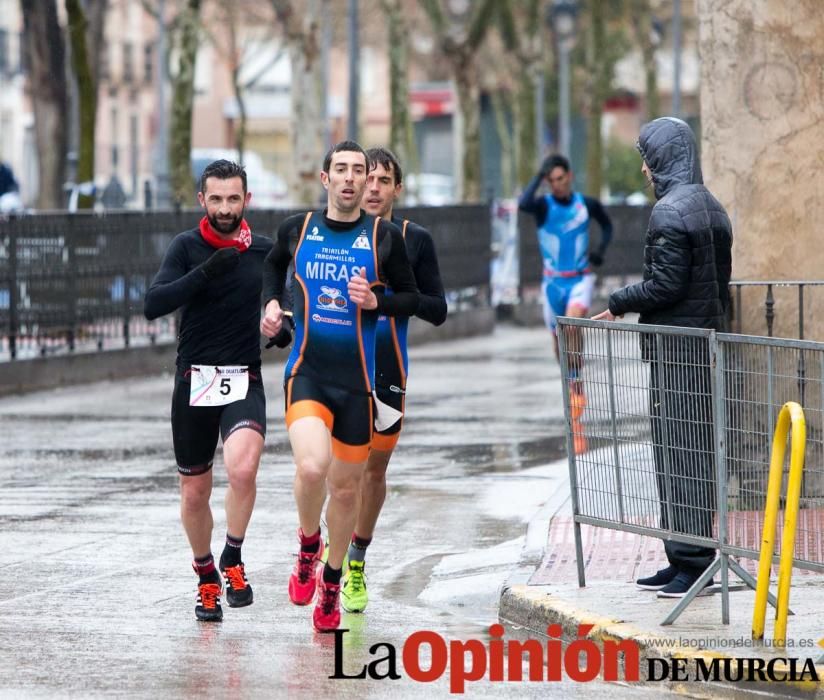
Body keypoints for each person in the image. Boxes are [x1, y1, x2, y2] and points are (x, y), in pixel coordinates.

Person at [259, 141, 418, 632]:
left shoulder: (383, 237)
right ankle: (309, 544)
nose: (352, 179)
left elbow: (417, 299)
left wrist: (379, 301)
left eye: (359, 171)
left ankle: (331, 581)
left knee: (346, 492)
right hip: (307, 373)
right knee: (311, 467)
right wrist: (269, 305)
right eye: (342, 170)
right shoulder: (298, 229)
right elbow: (270, 267)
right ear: (325, 178)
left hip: (358, 384)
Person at [592, 117, 733, 598]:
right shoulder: (711, 207)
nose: (643, 171)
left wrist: (618, 300)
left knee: (681, 458)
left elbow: (666, 285)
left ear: (662, 158)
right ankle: (681, 557)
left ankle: (693, 564)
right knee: (684, 455)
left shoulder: (670, 212)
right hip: (700, 347)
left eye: (645, 160)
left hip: (678, 352)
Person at [144, 160, 273, 621]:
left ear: (247, 200)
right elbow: (152, 304)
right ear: (202, 200)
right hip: (193, 381)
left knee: (243, 467)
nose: (224, 208)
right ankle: (205, 576)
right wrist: (205, 272)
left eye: (233, 199)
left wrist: (280, 328)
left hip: (243, 377)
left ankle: (232, 558)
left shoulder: (265, 252)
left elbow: (286, 308)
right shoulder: (186, 247)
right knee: (194, 493)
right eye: (215, 199)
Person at [331, 146, 448, 614]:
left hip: (388, 368)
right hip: (339, 364)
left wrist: (388, 300)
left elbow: (437, 309)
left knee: (373, 471)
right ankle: (333, 551)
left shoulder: (411, 239)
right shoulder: (333, 233)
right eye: (367, 178)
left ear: (397, 188)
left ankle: (356, 559)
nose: (373, 188)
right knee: (342, 470)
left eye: (383, 180)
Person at [518, 154, 612, 452]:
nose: (557, 185)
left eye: (561, 179)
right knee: (559, 340)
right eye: (552, 181)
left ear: (570, 176)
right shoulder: (543, 206)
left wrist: (599, 250)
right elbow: (522, 203)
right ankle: (571, 377)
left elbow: (608, 226)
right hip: (553, 281)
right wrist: (538, 175)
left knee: (573, 323)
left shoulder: (586, 204)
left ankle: (577, 378)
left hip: (580, 278)